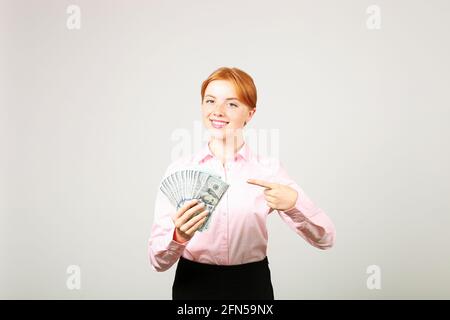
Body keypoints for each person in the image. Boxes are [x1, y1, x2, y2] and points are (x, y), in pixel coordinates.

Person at [148, 67, 336, 300]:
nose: (217, 111)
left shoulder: (269, 170)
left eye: (232, 104)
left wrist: (293, 204)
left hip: (251, 286)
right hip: (193, 285)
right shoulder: (179, 170)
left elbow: (325, 238)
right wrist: (178, 237)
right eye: (210, 101)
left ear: (250, 113)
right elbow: (157, 261)